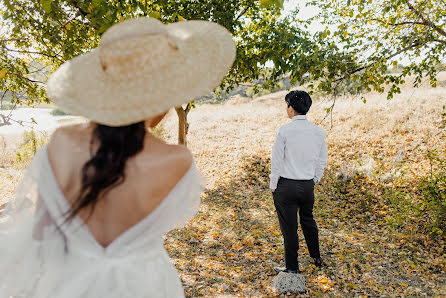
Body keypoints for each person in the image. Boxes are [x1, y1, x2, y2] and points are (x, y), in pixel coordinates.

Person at [0, 17, 235, 297]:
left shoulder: (62, 142)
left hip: (68, 282)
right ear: (164, 92)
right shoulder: (177, 161)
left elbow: (40, 232)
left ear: (103, 89)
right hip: (146, 284)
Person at [270, 90, 328, 274]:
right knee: (308, 220)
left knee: (289, 228)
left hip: (286, 186)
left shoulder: (284, 130)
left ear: (291, 108)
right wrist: (315, 179)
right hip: (307, 185)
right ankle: (316, 256)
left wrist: (273, 184)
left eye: (287, 105)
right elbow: (322, 160)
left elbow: (277, 160)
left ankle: (292, 268)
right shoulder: (318, 132)